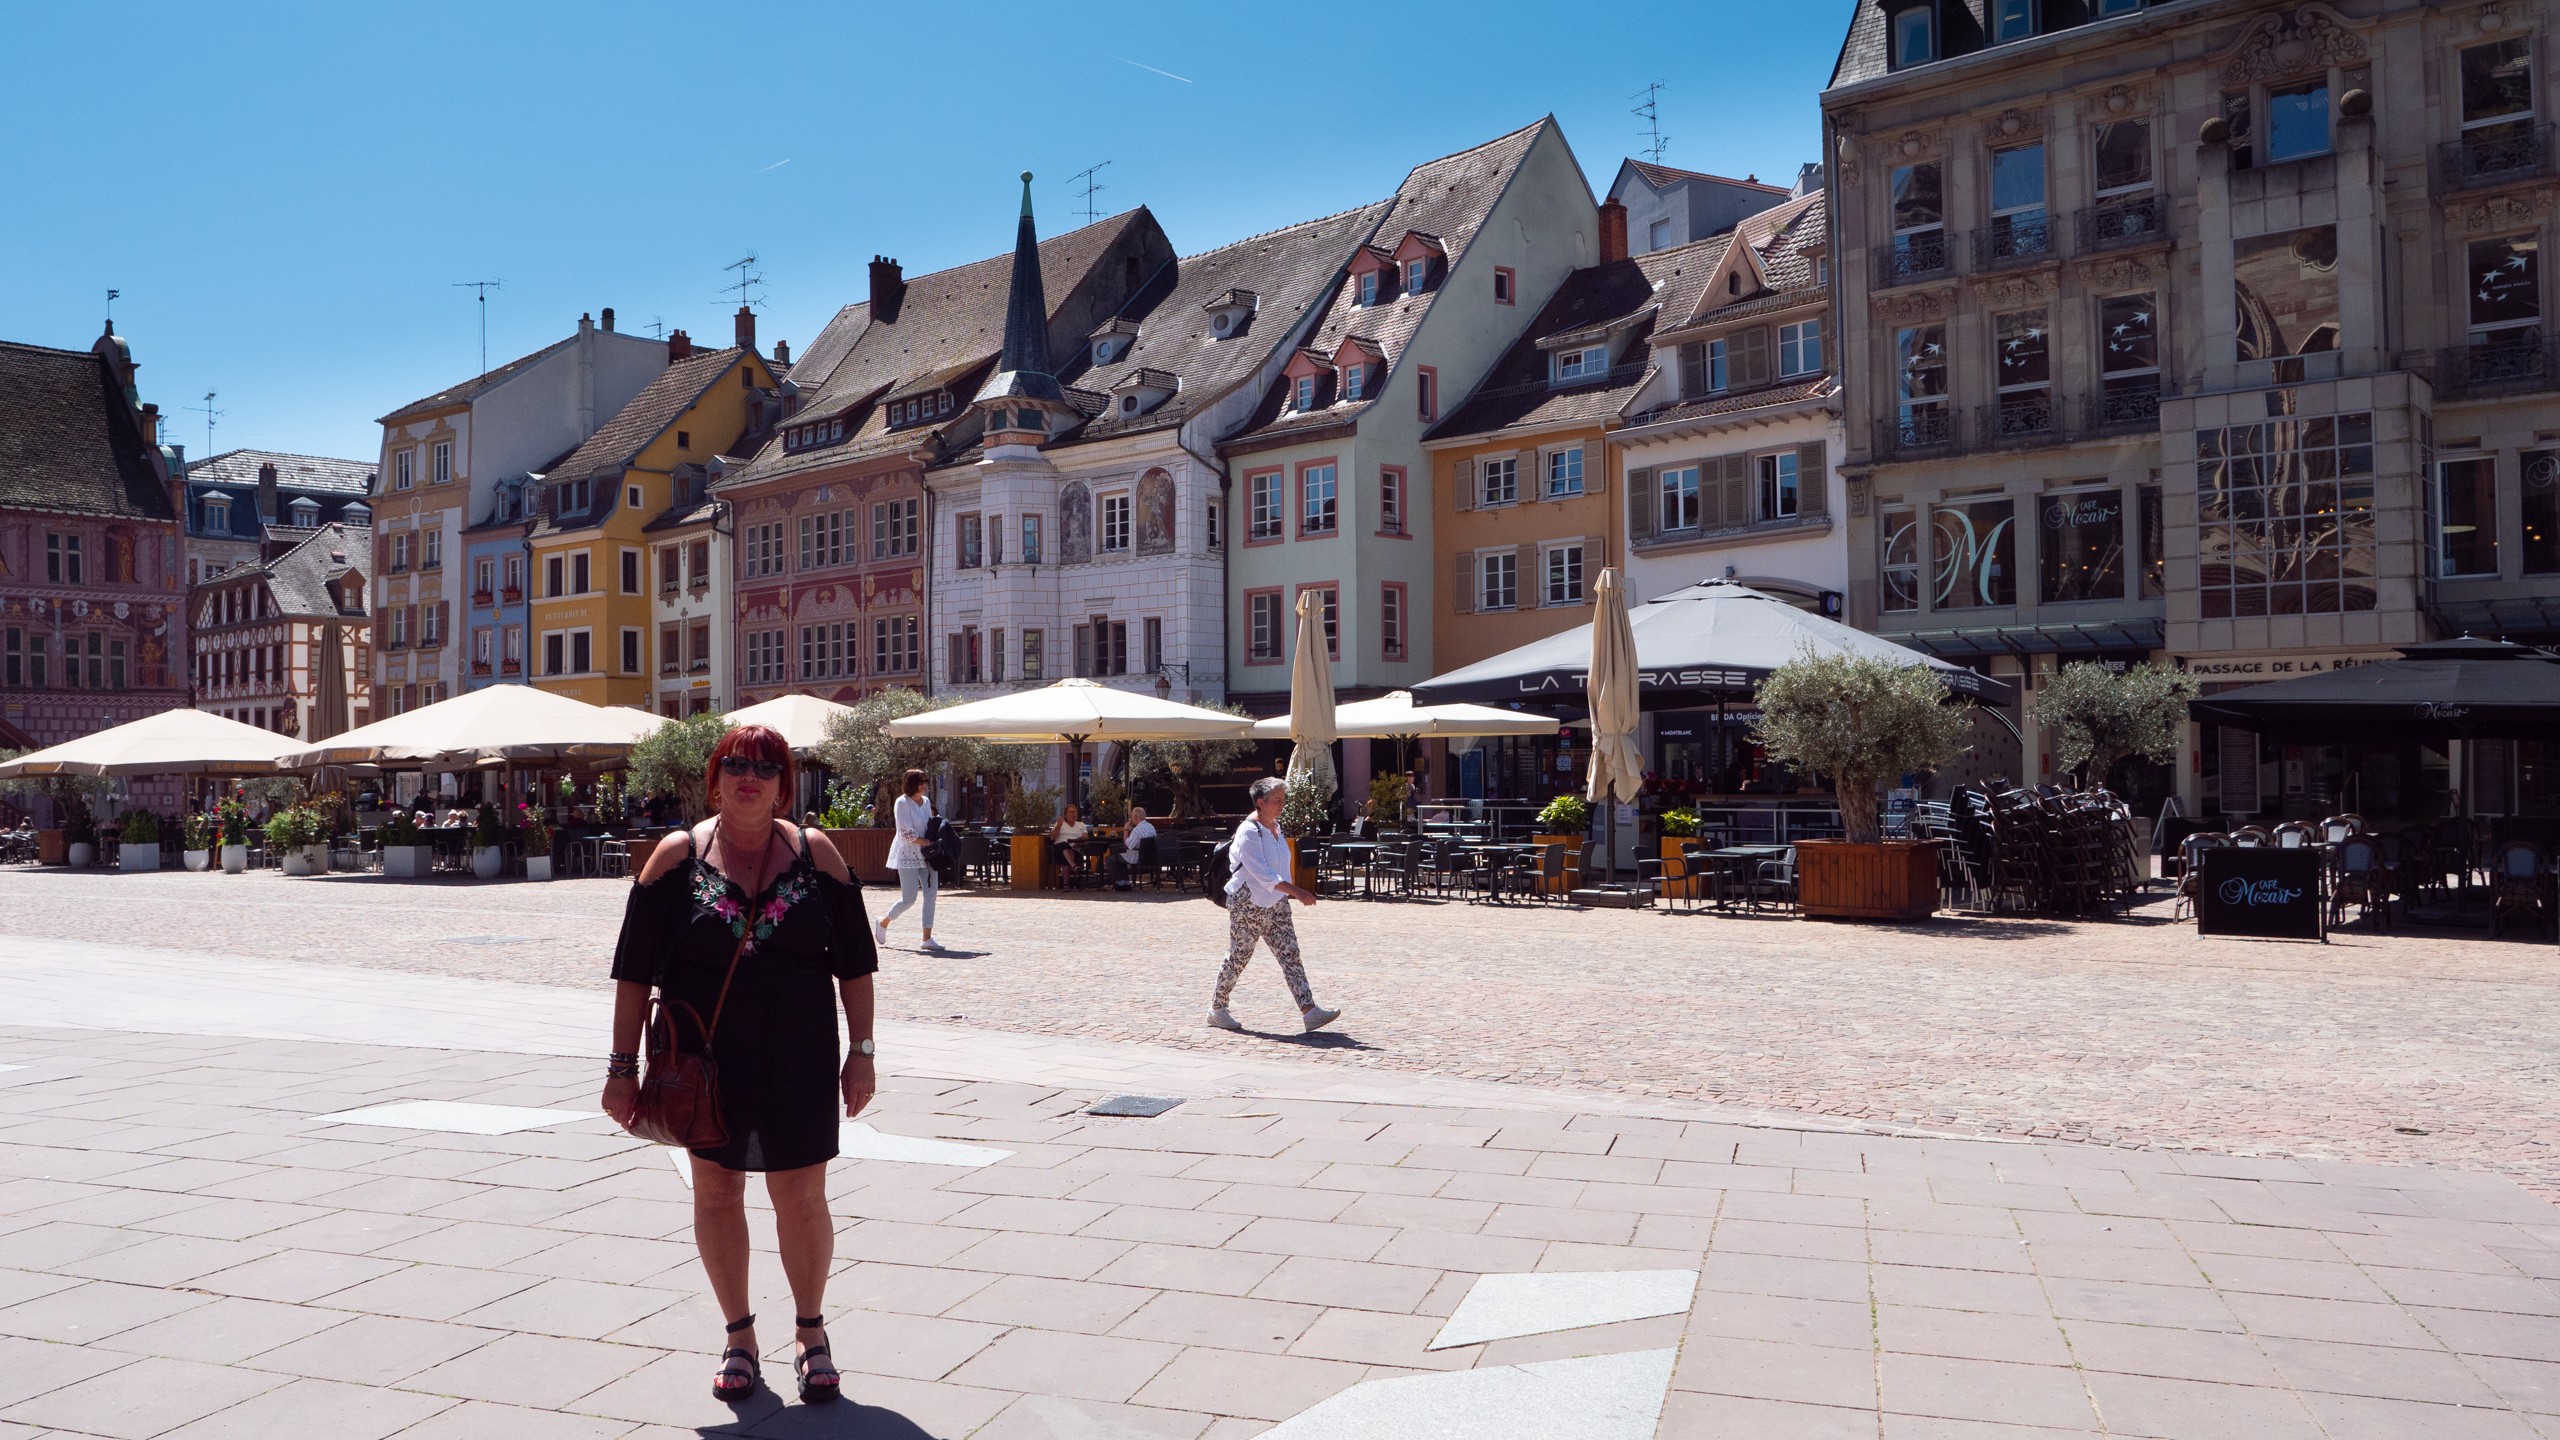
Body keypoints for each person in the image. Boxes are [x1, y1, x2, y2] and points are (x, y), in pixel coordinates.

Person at [601, 724, 878, 1407]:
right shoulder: (676, 857)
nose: (748, 777)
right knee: (718, 1193)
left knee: (801, 1197)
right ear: (714, 780)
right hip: (707, 1066)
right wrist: (621, 1068)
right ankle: (739, 1337)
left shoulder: (816, 854)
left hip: (801, 1057)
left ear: (785, 786)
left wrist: (862, 1052)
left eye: (765, 767)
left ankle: (810, 1333)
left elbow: (855, 963)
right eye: (735, 765)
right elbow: (634, 972)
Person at [1211, 777, 1340, 1033]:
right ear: (1260, 802)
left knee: (1290, 953)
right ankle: (1217, 1008)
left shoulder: (1276, 828)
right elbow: (1263, 874)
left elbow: (1279, 868)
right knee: (1239, 955)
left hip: (1276, 902)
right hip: (1248, 901)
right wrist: (1296, 891)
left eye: (1283, 799)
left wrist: (1287, 894)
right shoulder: (1249, 831)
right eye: (1277, 800)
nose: (1282, 804)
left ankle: (1309, 1011)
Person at [874, 769, 945, 954]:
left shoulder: (926, 802)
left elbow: (929, 825)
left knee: (931, 896)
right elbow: (906, 833)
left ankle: (927, 938)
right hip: (908, 854)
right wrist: (928, 843)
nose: (924, 785)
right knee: (909, 899)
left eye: (925, 781)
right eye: (920, 782)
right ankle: (883, 922)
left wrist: (937, 839)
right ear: (911, 784)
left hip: (928, 855)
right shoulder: (902, 802)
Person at [1106, 805, 1157, 889]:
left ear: (1136, 817)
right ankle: (1125, 882)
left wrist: (1126, 829)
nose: (1131, 819)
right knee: (1120, 857)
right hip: (1150, 856)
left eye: (1131, 817)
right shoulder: (1151, 827)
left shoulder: (1137, 830)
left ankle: (1120, 884)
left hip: (1137, 856)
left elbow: (1127, 845)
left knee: (1110, 859)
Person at [1049, 803, 1090, 887]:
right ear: (1066, 815)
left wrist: (1078, 843)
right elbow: (1052, 838)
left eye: (1075, 811)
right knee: (1064, 844)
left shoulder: (1081, 825)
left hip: (1075, 849)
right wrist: (1058, 826)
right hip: (1058, 848)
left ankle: (1066, 884)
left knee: (1065, 854)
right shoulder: (1060, 823)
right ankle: (1073, 866)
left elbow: (1085, 838)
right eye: (1071, 812)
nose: (1073, 814)